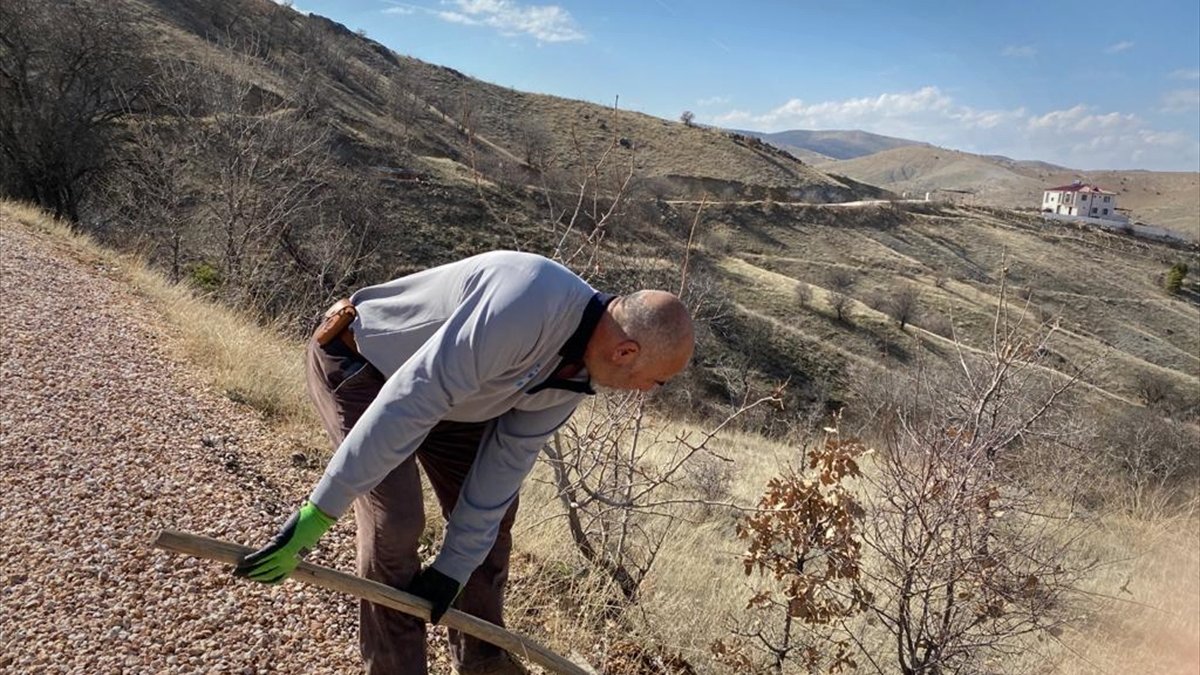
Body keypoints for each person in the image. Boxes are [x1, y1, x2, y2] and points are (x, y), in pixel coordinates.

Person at [233, 250, 694, 675]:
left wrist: (453, 566)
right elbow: (410, 402)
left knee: (487, 531)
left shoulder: (578, 377)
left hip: (458, 401)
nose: (648, 393)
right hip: (367, 366)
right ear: (626, 352)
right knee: (395, 522)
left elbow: (504, 466)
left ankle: (482, 662)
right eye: (657, 382)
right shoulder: (526, 302)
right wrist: (319, 513)